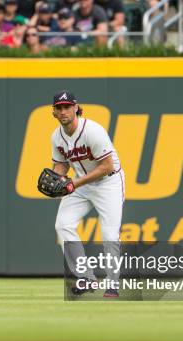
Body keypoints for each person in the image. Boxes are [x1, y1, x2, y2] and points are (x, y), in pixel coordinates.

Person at [46, 90, 124, 298]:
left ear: (76, 108)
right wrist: (56, 179)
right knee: (63, 225)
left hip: (109, 182)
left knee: (109, 233)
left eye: (67, 107)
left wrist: (73, 183)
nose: (63, 111)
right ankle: (86, 278)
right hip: (80, 183)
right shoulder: (56, 137)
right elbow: (61, 165)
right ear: (53, 112)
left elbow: (107, 166)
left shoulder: (93, 131)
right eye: (59, 108)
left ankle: (113, 284)